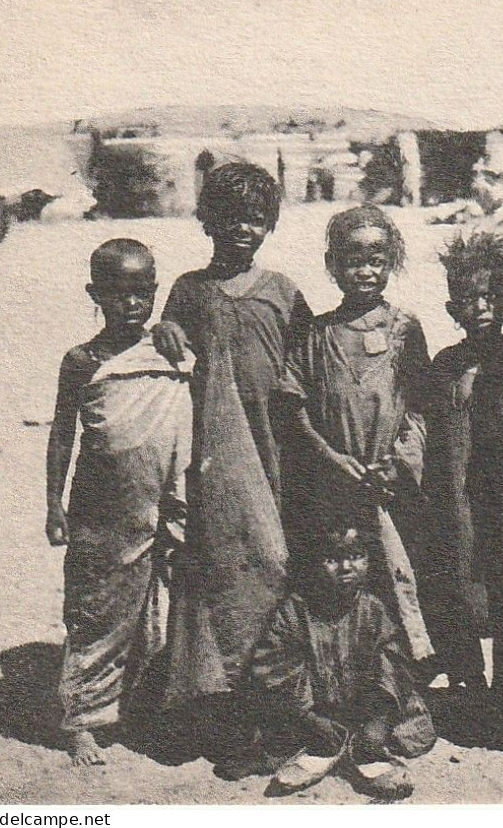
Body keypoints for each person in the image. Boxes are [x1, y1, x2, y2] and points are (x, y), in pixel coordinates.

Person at [152, 162, 311, 719]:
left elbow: (304, 360)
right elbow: (166, 338)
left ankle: (272, 685)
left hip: (274, 448)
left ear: (268, 225)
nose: (243, 230)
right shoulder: (189, 290)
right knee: (212, 554)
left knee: (273, 551)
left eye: (255, 220)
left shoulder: (284, 293)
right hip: (212, 450)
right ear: (207, 223)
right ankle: (207, 686)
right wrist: (163, 329)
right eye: (230, 219)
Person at [45, 239, 190, 765]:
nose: (133, 303)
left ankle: (137, 706)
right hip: (102, 507)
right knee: (96, 609)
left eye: (144, 292)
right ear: (95, 294)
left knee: (155, 608)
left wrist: (170, 329)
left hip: (163, 503)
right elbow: (63, 434)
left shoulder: (170, 347)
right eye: (119, 293)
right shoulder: (82, 360)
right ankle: (83, 719)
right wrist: (53, 505)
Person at [278, 206, 432, 665]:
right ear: (333, 265)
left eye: (377, 259)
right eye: (353, 259)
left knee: (395, 580)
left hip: (388, 488)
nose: (365, 270)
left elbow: (421, 410)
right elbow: (293, 405)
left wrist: (397, 462)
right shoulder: (316, 334)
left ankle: (398, 685)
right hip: (332, 487)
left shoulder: (405, 330)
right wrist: (330, 458)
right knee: (337, 583)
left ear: (392, 262)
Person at [419, 230, 503, 710]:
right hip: (453, 491)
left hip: (499, 494)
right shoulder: (445, 363)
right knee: (454, 582)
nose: (482, 307)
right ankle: (469, 677)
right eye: (469, 298)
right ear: (453, 310)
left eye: (491, 296)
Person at [250, 517, 434, 801]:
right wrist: (311, 718)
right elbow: (275, 669)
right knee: (274, 738)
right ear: (313, 562)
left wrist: (380, 720)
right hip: (313, 713)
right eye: (332, 559)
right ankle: (326, 746)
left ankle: (363, 745)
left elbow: (394, 666)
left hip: (368, 711)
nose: (346, 568)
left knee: (414, 730)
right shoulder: (294, 612)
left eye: (356, 557)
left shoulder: (375, 611)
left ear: (370, 560)